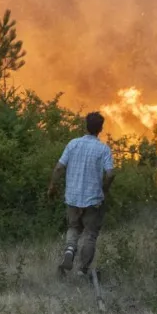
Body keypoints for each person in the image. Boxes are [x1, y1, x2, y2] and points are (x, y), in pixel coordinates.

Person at [48, 111, 116, 277]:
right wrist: (104, 189)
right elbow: (110, 174)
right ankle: (82, 270)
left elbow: (59, 167)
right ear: (100, 129)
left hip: (72, 198)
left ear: (86, 126)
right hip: (93, 200)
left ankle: (69, 251)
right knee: (90, 235)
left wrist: (52, 186)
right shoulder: (103, 149)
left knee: (73, 228)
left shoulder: (73, 144)